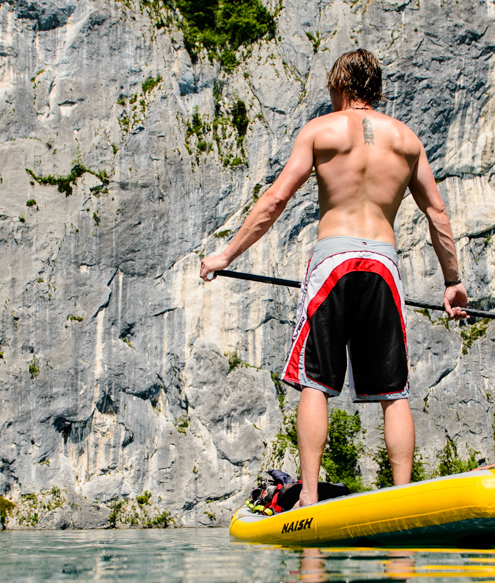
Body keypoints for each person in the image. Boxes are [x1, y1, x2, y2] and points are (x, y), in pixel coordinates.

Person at [199, 49, 468, 507]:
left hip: (333, 261)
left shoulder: (321, 131)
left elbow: (275, 200)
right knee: (394, 390)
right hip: (383, 264)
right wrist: (452, 281)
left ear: (340, 84)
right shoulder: (407, 141)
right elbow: (436, 212)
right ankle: (401, 500)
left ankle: (306, 495)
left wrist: (226, 254)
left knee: (316, 383)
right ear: (375, 87)